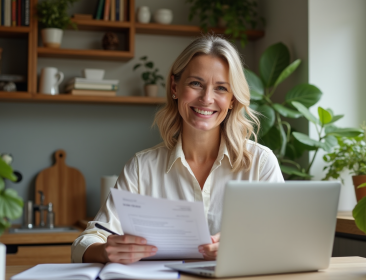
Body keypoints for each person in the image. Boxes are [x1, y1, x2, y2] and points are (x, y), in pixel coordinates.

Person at [71, 34, 284, 264]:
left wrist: (244, 247)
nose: (207, 98)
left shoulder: (261, 164)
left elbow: (287, 241)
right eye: (196, 84)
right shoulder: (142, 168)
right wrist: (104, 251)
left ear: (232, 99)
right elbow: (86, 242)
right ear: (175, 86)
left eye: (221, 88)